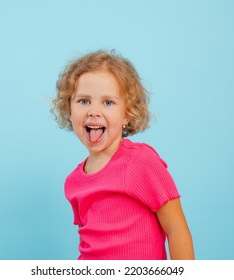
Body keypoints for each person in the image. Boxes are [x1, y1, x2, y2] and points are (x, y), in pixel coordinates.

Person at [52, 50, 194, 260]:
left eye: (108, 102)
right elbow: (87, 243)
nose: (94, 111)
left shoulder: (141, 162)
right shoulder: (73, 182)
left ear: (126, 114)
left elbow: (176, 230)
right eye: (83, 101)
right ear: (69, 111)